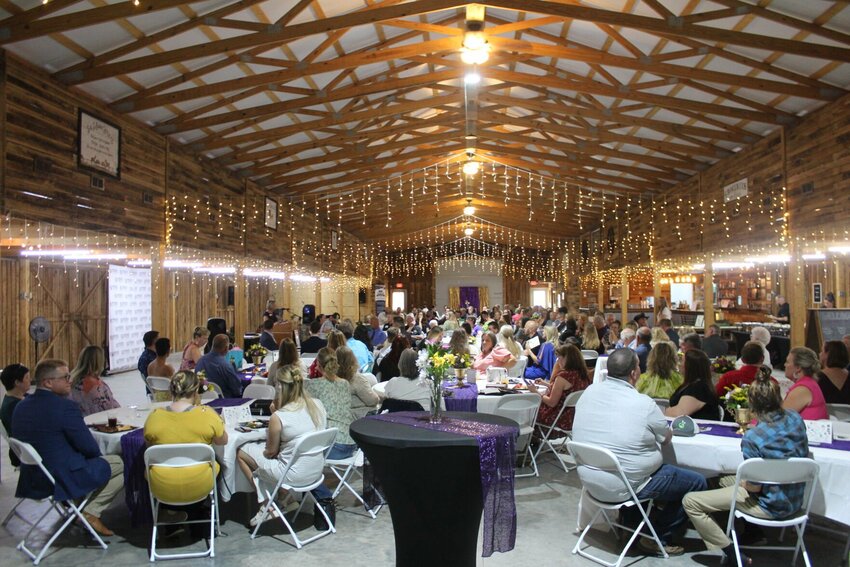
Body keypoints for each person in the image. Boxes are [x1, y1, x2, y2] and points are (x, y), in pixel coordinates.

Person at [572, 349, 707, 556]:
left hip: (591, 480)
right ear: (634, 373)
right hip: (627, 484)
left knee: (636, 467)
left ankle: (633, 528)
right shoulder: (643, 404)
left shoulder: (588, 393)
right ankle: (657, 536)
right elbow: (666, 437)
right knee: (697, 481)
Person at [683, 370, 809, 566]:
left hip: (768, 504)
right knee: (716, 480)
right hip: (795, 499)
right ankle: (746, 531)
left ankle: (731, 553)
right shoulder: (795, 419)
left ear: (752, 403)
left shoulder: (754, 437)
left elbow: (754, 487)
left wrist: (744, 482)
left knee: (690, 502)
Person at [12, 359, 124, 536]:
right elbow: (90, 448)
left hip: (35, 476)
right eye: (65, 377)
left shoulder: (21, 406)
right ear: (48, 382)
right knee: (124, 462)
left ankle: (81, 507)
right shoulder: (65, 407)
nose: (70, 380)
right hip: (63, 475)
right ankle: (91, 511)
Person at [237, 365, 327, 527]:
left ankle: (267, 504)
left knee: (241, 451)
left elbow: (271, 453)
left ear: (280, 386)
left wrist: (264, 450)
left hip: (292, 475)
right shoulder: (317, 405)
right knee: (264, 462)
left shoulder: (279, 416)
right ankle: (284, 495)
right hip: (316, 469)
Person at [143, 370, 227, 522]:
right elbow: (223, 440)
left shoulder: (154, 417)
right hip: (200, 482)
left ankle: (171, 514)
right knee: (218, 463)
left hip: (161, 485)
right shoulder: (207, 414)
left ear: (171, 390)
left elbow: (149, 447)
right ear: (195, 391)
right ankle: (197, 511)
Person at [305, 348, 356, 465]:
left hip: (334, 446)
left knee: (296, 447)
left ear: (318, 364)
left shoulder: (313, 385)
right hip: (352, 443)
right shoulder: (345, 383)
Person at [527, 344, 591, 435]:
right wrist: (545, 384)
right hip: (573, 418)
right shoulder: (583, 374)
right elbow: (566, 391)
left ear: (566, 359)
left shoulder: (563, 377)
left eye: (559, 358)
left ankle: (525, 441)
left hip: (556, 418)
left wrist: (536, 392)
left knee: (528, 408)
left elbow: (552, 403)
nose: (557, 361)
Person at [665, 350, 721, 421]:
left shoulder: (699, 388)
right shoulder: (690, 385)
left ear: (689, 367)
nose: (679, 364)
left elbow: (678, 413)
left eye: (682, 361)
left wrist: (665, 411)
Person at [69, 345, 120, 417]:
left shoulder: (74, 378)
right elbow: (107, 408)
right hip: (96, 420)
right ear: (99, 361)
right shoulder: (93, 383)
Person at [783, 346, 828, 420]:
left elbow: (779, 420)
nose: (785, 365)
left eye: (787, 362)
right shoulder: (809, 383)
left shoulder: (802, 389)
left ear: (798, 368)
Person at [337, 346, 381, 419]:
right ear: (353, 359)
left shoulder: (333, 379)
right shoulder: (357, 379)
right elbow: (372, 401)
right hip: (361, 415)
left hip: (344, 415)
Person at [195, 334, 243, 398]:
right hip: (225, 402)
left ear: (213, 345)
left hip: (203, 399)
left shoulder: (200, 361)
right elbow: (237, 390)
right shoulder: (226, 365)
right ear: (226, 348)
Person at [0, 363, 30, 467]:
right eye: (27, 378)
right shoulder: (13, 407)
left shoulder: (22, 397)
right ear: (17, 382)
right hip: (25, 452)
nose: (30, 380)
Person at [817, 340, 850, 404]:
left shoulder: (816, 377)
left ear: (827, 354)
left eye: (822, 351)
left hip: (825, 413)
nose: (819, 354)